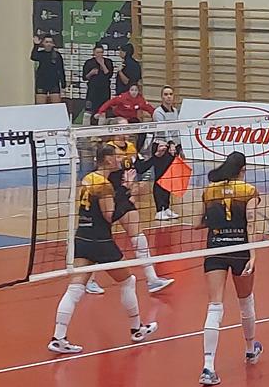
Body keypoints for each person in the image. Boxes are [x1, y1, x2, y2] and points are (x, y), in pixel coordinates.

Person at [47, 144, 159, 354]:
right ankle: (136, 329)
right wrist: (127, 191)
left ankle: (58, 337)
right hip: (100, 241)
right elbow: (110, 216)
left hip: (82, 237)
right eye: (116, 156)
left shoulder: (88, 179)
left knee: (75, 288)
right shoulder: (105, 186)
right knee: (128, 280)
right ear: (107, 159)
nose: (120, 159)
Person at [83, 118, 174, 297]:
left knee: (139, 237)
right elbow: (100, 174)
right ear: (114, 129)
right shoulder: (107, 149)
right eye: (124, 127)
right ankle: (89, 280)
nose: (128, 129)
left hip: (123, 197)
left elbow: (139, 168)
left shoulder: (131, 147)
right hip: (107, 197)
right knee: (99, 238)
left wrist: (155, 157)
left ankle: (152, 280)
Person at [194, 151, 263, 386]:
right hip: (240, 250)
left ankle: (208, 367)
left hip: (215, 249)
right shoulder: (249, 191)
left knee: (215, 306)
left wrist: (218, 222)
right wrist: (253, 255)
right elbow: (250, 221)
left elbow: (197, 223)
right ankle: (250, 349)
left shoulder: (209, 191)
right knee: (245, 301)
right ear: (243, 169)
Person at [151, 86, 182, 220]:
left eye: (170, 94)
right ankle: (159, 210)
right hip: (161, 146)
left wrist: (179, 146)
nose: (168, 96)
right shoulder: (158, 112)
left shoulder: (175, 111)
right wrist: (170, 143)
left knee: (169, 179)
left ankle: (166, 207)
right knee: (160, 179)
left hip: (172, 147)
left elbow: (176, 130)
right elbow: (164, 130)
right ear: (162, 97)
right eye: (166, 94)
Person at [30, 34, 67, 104]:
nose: (48, 44)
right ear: (43, 43)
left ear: (53, 44)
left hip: (54, 82)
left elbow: (61, 69)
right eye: (46, 42)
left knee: (56, 105)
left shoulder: (57, 55)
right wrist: (36, 45)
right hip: (41, 82)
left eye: (50, 42)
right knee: (40, 105)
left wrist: (63, 83)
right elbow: (33, 57)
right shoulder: (41, 54)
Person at [81, 44, 114, 119]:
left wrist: (102, 64)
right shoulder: (89, 62)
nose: (99, 54)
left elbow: (109, 75)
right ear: (94, 53)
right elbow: (84, 77)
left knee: (103, 111)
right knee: (89, 110)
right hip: (92, 90)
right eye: (98, 52)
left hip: (104, 90)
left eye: (101, 52)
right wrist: (91, 73)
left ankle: (102, 123)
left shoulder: (108, 62)